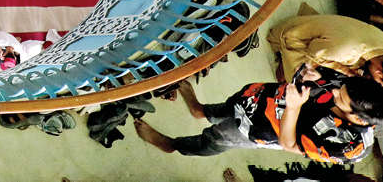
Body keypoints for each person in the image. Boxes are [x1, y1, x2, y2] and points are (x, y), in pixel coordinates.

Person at [134, 73, 383, 163]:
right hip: (261, 98)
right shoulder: (359, 89)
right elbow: (323, 78)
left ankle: (173, 145)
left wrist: (293, 107)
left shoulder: (351, 146)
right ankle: (201, 110)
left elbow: (290, 144)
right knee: (231, 105)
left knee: (217, 137)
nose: (334, 92)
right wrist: (312, 74)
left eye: (340, 98)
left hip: (264, 128)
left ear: (357, 118)